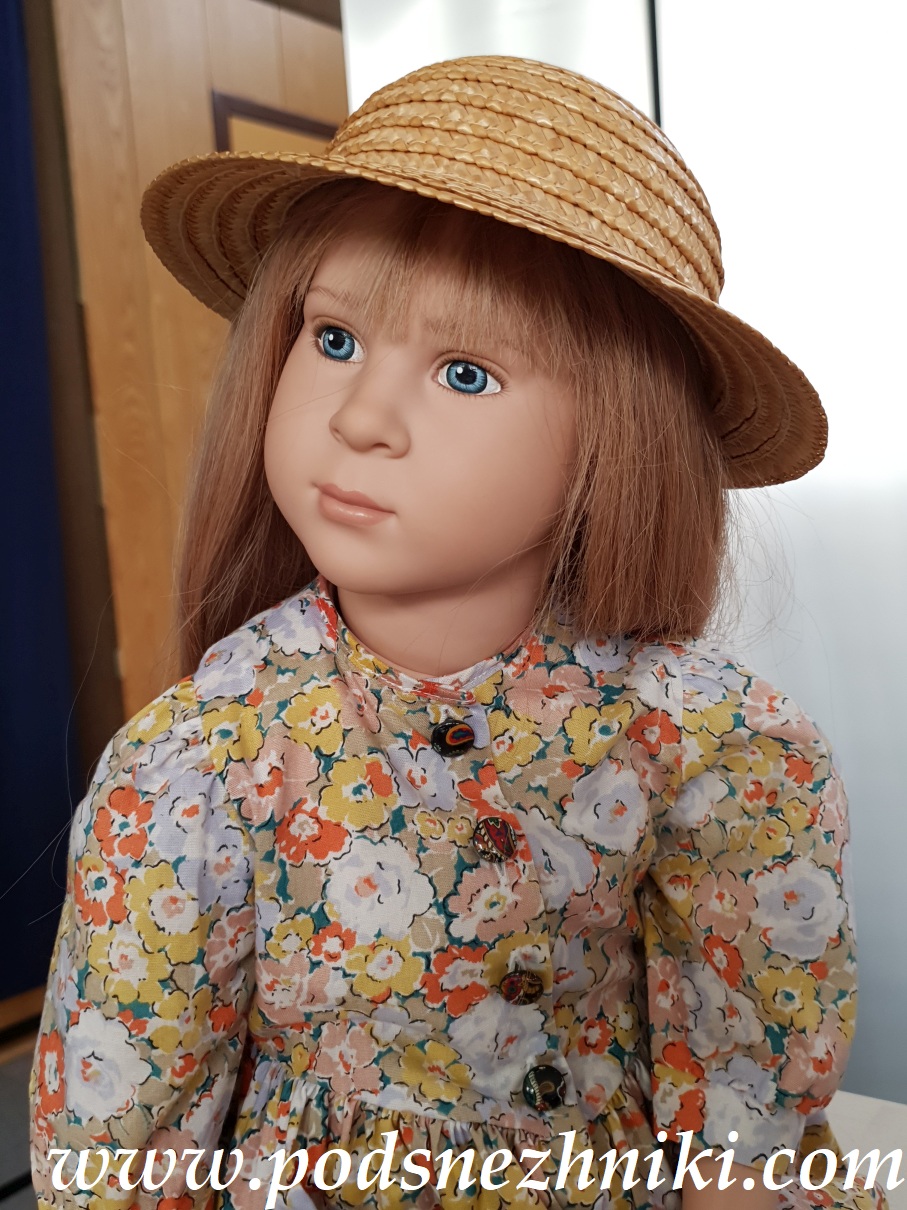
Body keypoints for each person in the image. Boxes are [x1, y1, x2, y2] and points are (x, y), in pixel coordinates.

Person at [29, 56, 887, 1210]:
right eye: (333, 338)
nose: (362, 417)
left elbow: (744, 1112)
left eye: (466, 372)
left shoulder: (703, 741)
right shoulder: (202, 762)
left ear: (621, 434)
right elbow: (121, 1149)